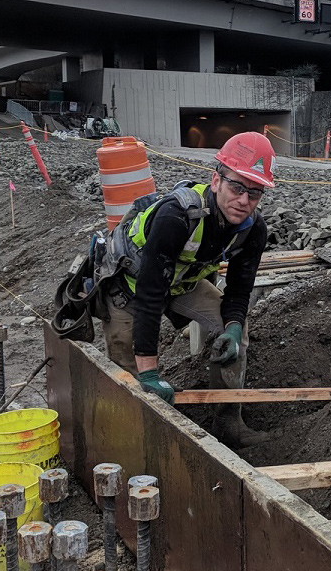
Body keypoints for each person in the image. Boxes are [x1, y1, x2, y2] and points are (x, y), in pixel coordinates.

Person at [97, 132, 275, 447]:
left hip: (181, 283)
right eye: (237, 187)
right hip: (132, 285)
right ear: (216, 180)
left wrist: (232, 331)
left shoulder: (253, 230)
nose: (244, 200)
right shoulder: (176, 217)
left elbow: (238, 291)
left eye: (255, 192)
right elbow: (150, 297)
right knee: (128, 371)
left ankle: (228, 422)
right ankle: (139, 437)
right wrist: (150, 373)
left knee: (234, 327)